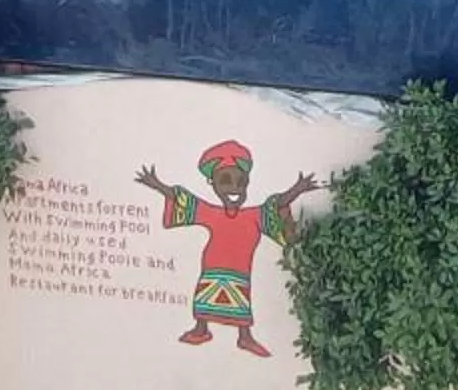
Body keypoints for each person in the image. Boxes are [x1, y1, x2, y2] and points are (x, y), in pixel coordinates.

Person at [134, 140, 321, 357]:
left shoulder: (254, 216)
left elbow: (276, 205)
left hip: (239, 270)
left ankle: (245, 337)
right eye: (226, 182)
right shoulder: (212, 212)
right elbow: (183, 200)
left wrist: (296, 190)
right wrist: (157, 185)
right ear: (212, 184)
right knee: (204, 298)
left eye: (240, 182)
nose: (234, 188)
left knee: (240, 302)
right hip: (212, 266)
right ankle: (201, 328)